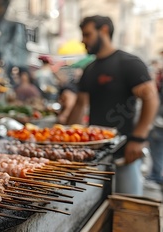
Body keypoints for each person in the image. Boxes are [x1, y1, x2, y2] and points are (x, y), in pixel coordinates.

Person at [67, 15, 160, 195]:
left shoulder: (129, 63)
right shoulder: (89, 69)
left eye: (87, 34)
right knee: (97, 208)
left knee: (127, 206)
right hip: (96, 154)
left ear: (104, 31)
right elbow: (80, 105)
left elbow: (151, 99)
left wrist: (139, 138)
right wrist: (62, 135)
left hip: (124, 154)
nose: (83, 40)